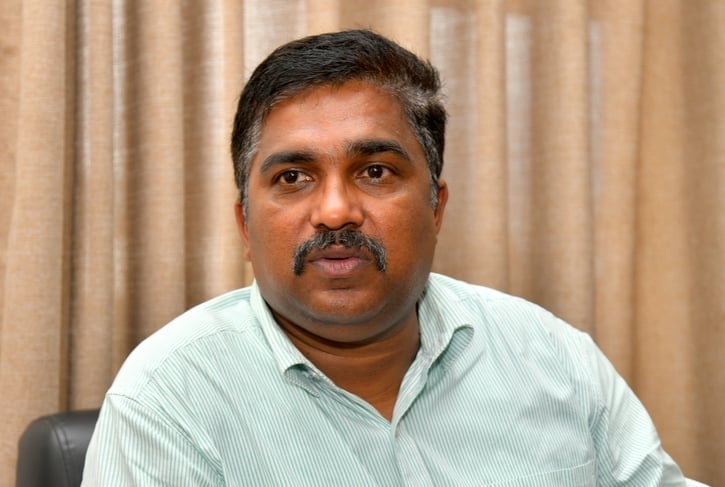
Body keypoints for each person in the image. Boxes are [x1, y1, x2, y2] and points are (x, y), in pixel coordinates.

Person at [82, 29, 703, 486]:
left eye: (375, 170)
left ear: (435, 207)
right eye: (294, 177)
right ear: (245, 225)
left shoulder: (552, 358)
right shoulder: (168, 399)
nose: (335, 211)